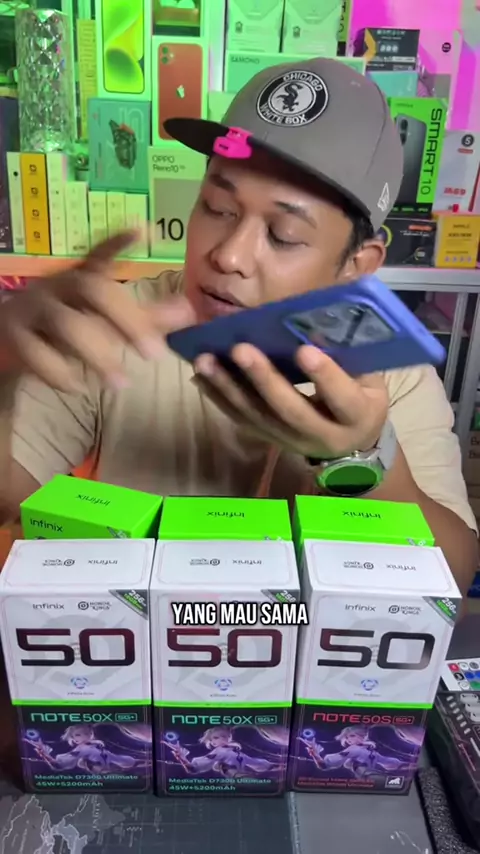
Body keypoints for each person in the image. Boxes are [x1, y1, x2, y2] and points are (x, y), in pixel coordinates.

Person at [0, 58, 477, 592]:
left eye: (283, 234)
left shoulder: (389, 372)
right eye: (217, 207)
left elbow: (456, 576)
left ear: (356, 265)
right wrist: (3, 367)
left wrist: (363, 458)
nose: (228, 255)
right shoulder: (122, 323)